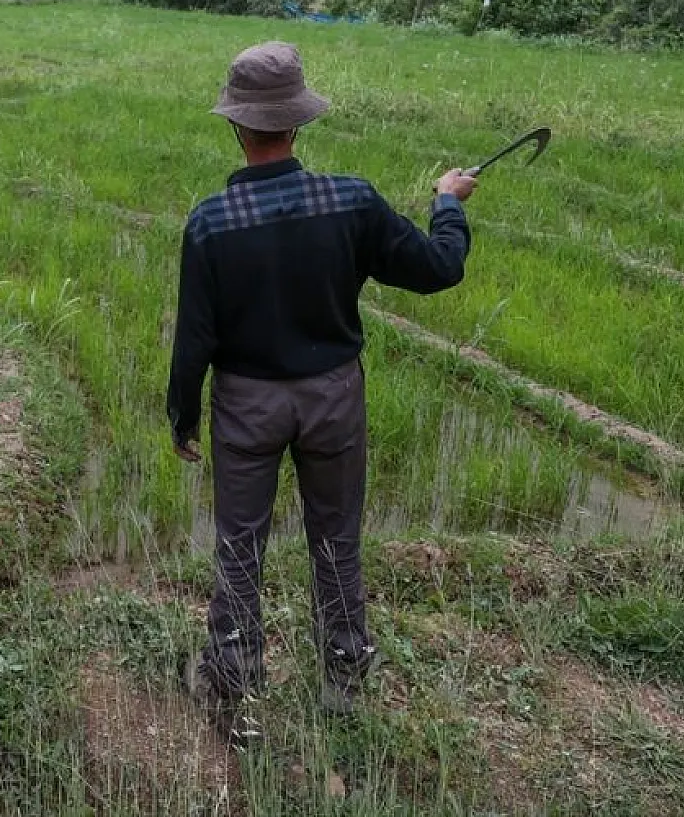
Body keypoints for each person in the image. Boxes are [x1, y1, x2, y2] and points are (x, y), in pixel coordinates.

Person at [165, 40, 477, 733]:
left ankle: (233, 680)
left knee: (240, 542)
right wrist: (447, 204)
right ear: (297, 123)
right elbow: (436, 267)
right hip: (334, 396)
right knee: (336, 536)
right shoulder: (351, 201)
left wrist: (183, 415)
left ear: (236, 126)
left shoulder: (212, 222)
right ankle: (342, 676)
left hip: (247, 404)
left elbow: (195, 339)